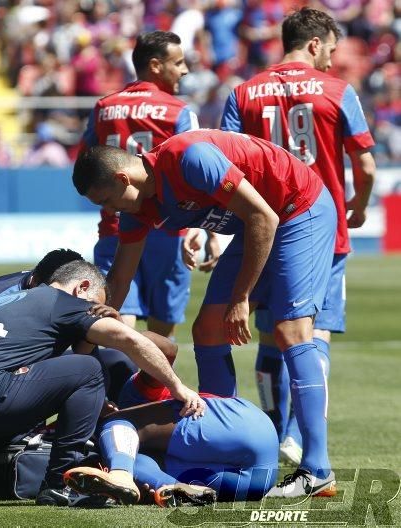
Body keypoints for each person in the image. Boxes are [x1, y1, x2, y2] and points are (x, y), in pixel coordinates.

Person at [72, 128, 338, 499]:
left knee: (291, 331)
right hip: (258, 222)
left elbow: (264, 216)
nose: (112, 211)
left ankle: (317, 469)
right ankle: (222, 438)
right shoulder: (139, 209)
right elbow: (119, 280)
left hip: (297, 208)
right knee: (208, 329)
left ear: (123, 178)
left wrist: (241, 298)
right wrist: (83, 347)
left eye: (109, 200)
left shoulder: (190, 158)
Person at [220, 7, 376, 468]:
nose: (332, 58)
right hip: (323, 228)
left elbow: (227, 165)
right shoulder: (337, 90)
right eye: (329, 49)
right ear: (313, 44)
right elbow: (365, 165)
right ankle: (300, 438)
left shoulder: (244, 92)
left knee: (271, 335)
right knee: (315, 333)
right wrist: (359, 205)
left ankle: (270, 429)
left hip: (266, 228)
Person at [0, 260, 205, 506]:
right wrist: (178, 386)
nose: (92, 310)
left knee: (40, 381)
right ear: (82, 287)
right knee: (89, 369)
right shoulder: (64, 302)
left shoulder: (9, 301)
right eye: (94, 303)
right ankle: (60, 483)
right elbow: (130, 341)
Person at [0, 249, 137, 499]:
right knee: (19, 403)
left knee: (105, 364)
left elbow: (81, 349)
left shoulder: (47, 293)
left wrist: (98, 396)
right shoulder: (2, 296)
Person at [81, 30, 217, 339]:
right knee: (162, 332)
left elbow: (87, 162)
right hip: (168, 231)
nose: (184, 70)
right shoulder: (179, 112)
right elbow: (199, 173)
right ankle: (151, 388)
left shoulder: (104, 108)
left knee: (118, 324)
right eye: (178, 62)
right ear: (155, 65)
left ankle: (119, 387)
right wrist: (205, 228)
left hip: (116, 227)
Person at [63, 337, 279, 506]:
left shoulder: (130, 394)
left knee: (116, 423)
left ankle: (121, 476)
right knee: (130, 462)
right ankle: (169, 487)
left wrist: (118, 332)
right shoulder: (121, 449)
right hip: (255, 483)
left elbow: (166, 349)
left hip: (242, 427)